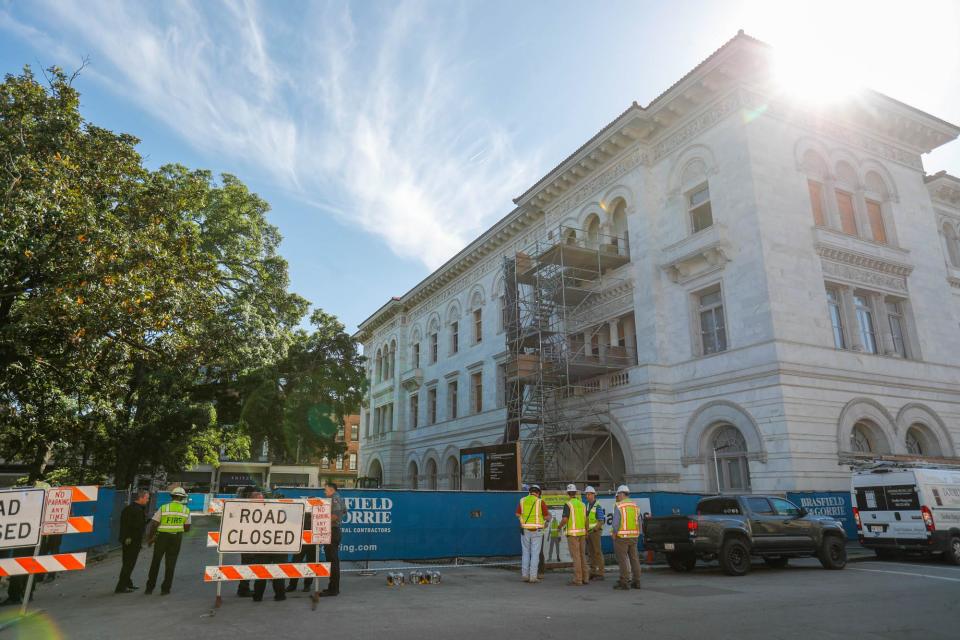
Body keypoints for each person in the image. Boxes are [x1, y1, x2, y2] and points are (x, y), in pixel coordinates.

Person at [145, 486, 191, 596]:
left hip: (162, 537)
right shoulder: (186, 510)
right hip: (176, 538)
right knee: (171, 564)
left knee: (155, 562)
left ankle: (149, 588)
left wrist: (150, 538)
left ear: (172, 496)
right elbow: (187, 528)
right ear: (182, 498)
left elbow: (154, 524)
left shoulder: (164, 507)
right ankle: (165, 589)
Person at [115, 489, 150, 593]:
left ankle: (127, 583)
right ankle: (121, 587)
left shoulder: (129, 508)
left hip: (127, 540)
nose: (148, 500)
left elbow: (128, 524)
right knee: (129, 564)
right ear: (141, 497)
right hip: (132, 541)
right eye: (147, 498)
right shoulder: (137, 510)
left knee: (127, 562)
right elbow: (135, 526)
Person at [316, 482, 347, 598]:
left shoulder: (335, 499)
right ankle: (332, 587)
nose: (324, 492)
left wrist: (321, 521)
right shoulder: (336, 498)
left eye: (326, 489)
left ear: (331, 489)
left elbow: (336, 516)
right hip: (332, 531)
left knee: (333, 562)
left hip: (332, 531)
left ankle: (333, 589)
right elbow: (344, 511)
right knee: (332, 561)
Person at [515, 484, 549, 583]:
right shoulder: (540, 502)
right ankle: (533, 577)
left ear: (530, 492)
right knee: (535, 553)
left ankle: (525, 575)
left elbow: (517, 514)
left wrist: (522, 520)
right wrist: (547, 520)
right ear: (538, 493)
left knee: (525, 552)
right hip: (537, 530)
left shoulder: (522, 500)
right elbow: (546, 517)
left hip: (525, 529)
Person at [612, 485, 642, 590]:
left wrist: (614, 534)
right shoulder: (635, 506)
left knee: (623, 559)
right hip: (634, 536)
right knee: (634, 559)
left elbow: (615, 523)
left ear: (621, 494)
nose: (618, 497)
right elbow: (639, 522)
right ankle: (637, 581)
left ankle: (624, 582)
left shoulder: (619, 506)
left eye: (618, 495)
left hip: (622, 537)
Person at [558, 483, 588, 586]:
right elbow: (586, 520)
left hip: (573, 534)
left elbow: (565, 519)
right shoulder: (582, 504)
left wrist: (559, 526)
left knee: (576, 557)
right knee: (582, 555)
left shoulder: (568, 504)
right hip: (582, 533)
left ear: (568, 493)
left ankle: (578, 579)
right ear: (575, 492)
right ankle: (585, 578)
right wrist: (586, 530)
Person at [287, 509, 316, 593]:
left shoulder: (317, 514)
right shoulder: (301, 512)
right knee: (296, 562)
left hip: (312, 543)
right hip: (301, 543)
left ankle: (307, 585)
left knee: (310, 564)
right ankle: (292, 585)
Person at [584, 486, 605, 581]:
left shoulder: (597, 506)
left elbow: (601, 520)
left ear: (593, 495)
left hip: (595, 532)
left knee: (597, 552)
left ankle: (600, 573)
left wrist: (594, 530)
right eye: (586, 494)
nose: (587, 496)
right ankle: (593, 572)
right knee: (591, 553)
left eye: (589, 494)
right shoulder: (587, 505)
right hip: (589, 532)